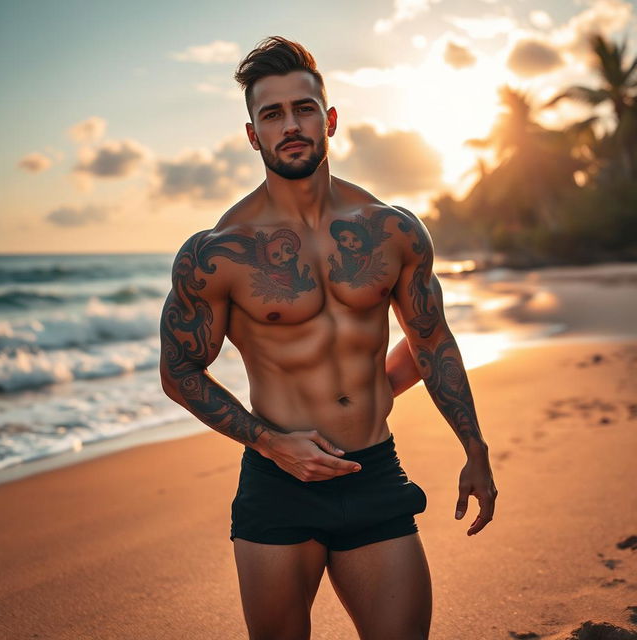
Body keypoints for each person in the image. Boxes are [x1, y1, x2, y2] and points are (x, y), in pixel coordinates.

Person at [159, 35, 497, 640]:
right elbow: (179, 371)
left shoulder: (391, 229)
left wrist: (474, 447)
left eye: (303, 108)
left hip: (374, 473)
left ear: (329, 119)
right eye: (272, 114)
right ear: (252, 134)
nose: (290, 125)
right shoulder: (218, 253)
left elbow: (431, 341)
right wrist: (270, 443)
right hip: (279, 483)